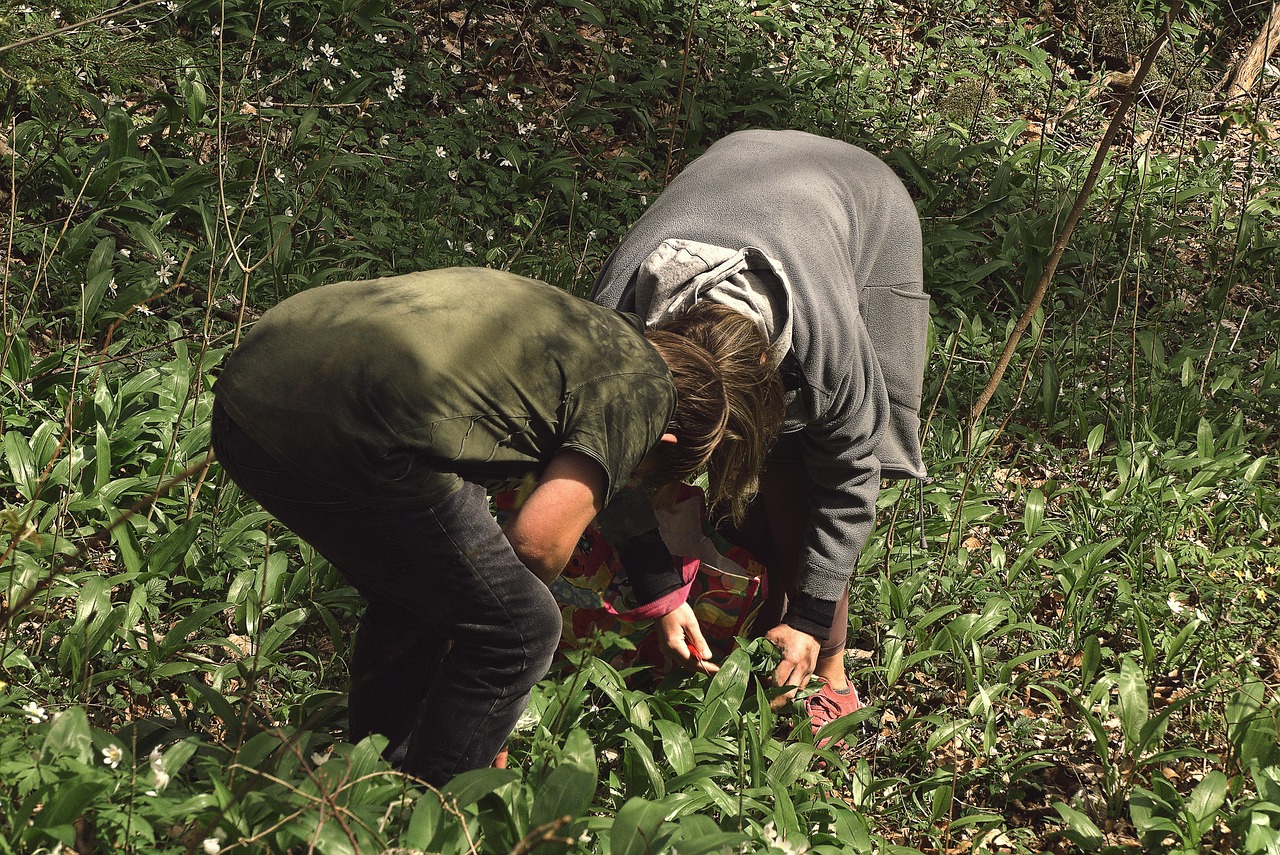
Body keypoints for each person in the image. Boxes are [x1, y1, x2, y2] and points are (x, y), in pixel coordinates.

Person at [210, 267, 758, 786]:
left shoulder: (589, 327)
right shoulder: (644, 392)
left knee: (416, 597)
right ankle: (430, 816)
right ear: (661, 443)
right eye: (635, 476)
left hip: (250, 395)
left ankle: (374, 782)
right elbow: (538, 546)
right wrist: (488, 695)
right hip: (353, 429)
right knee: (523, 630)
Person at [592, 129, 930, 730]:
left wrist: (810, 619)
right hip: (742, 164)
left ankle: (828, 669)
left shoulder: (828, 359)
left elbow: (851, 481)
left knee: (805, 464)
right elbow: (605, 457)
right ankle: (757, 593)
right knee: (735, 483)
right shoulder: (613, 324)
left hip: (863, 200)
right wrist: (659, 591)